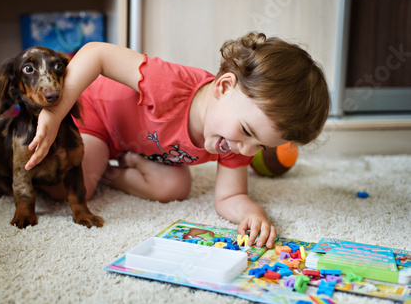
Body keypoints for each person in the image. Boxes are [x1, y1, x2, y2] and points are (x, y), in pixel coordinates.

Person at [25, 32, 330, 248]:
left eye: (261, 146)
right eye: (249, 132)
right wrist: (54, 113)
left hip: (133, 143)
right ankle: (92, 162)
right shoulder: (168, 83)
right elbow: (96, 54)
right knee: (74, 190)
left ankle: (110, 170)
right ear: (224, 87)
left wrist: (252, 212)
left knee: (176, 187)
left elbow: (229, 197)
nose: (247, 150)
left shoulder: (235, 139)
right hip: (93, 114)